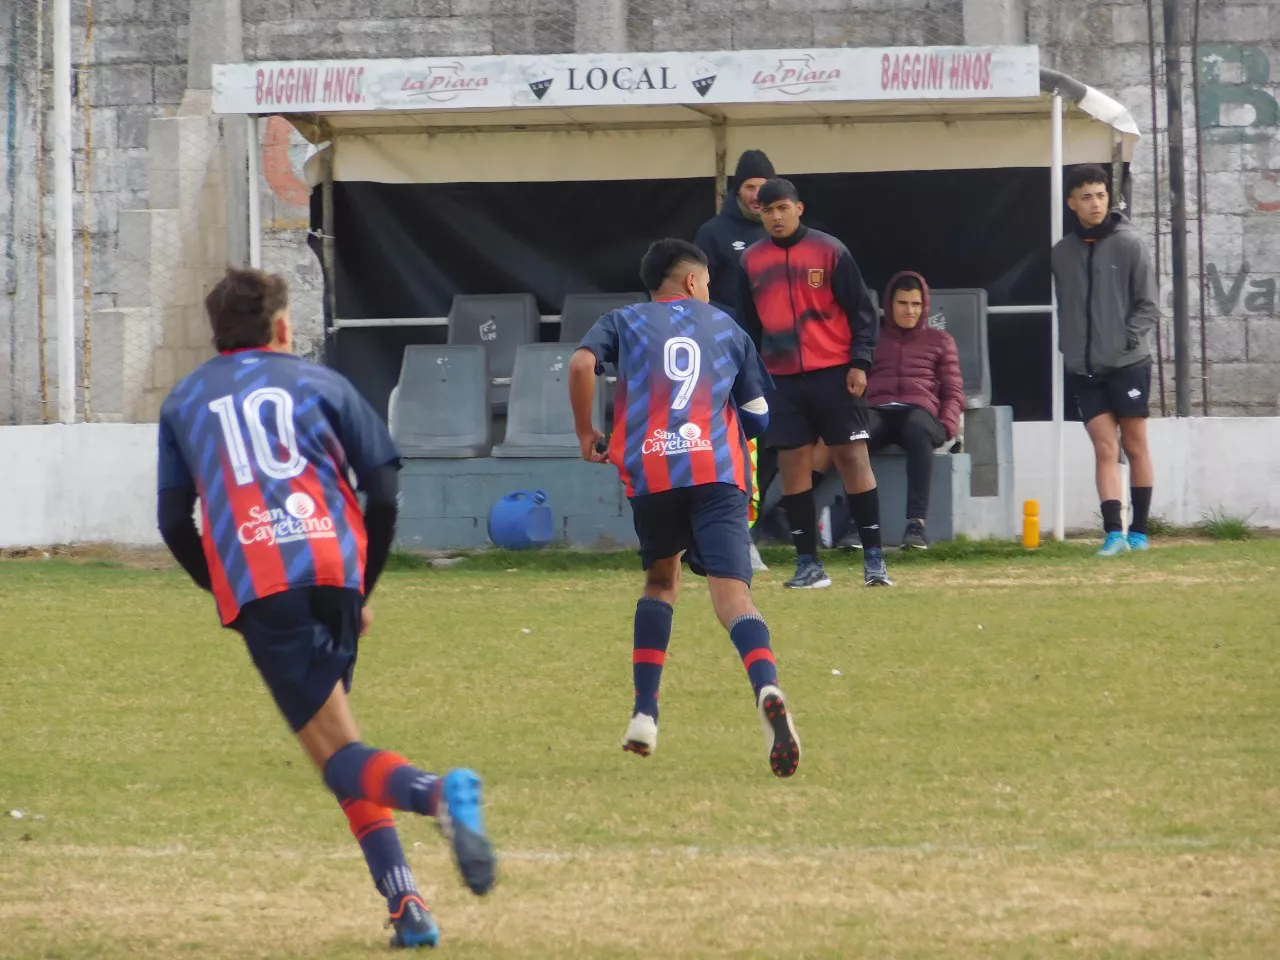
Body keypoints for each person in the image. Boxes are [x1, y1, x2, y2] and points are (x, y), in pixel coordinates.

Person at [155, 267, 496, 949]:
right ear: (282, 327)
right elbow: (386, 492)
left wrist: (227, 592)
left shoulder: (186, 400)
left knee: (337, 755)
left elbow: (172, 519)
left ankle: (439, 796)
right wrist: (361, 589)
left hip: (264, 581)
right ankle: (408, 909)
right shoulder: (324, 383)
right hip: (336, 570)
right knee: (340, 747)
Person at [568, 238, 801, 779]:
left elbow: (581, 365)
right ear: (694, 282)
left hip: (652, 470)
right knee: (732, 594)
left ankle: (645, 715)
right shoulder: (725, 326)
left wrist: (587, 433)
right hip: (716, 471)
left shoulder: (623, 320)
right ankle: (766, 684)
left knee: (660, 582)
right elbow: (760, 414)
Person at [737, 178, 891, 589]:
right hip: (781, 380)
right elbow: (748, 325)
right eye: (767, 210)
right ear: (759, 213)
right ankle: (808, 565)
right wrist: (752, 375)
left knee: (853, 458)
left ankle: (875, 561)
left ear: (798, 208)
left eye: (782, 208)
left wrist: (860, 362)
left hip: (835, 372)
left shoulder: (829, 250)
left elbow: (862, 311)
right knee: (793, 465)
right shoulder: (750, 261)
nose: (776, 216)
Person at [1051, 164, 1159, 556]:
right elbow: (1066, 308)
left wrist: (1126, 341)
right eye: (1086, 197)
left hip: (1128, 362)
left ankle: (1140, 532)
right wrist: (1071, 347)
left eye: (1100, 195)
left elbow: (1149, 304)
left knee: (1134, 444)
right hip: (1085, 368)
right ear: (1071, 203)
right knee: (1103, 447)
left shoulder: (1130, 243)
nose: (1095, 203)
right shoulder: (1061, 253)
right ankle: (1113, 533)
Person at [693, 148, 776, 573]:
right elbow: (695, 293)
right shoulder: (714, 232)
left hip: (776, 355)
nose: (758, 196)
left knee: (773, 441)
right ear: (737, 190)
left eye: (763, 187)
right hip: (726, 357)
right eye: (750, 187)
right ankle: (734, 537)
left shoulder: (781, 231)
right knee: (735, 441)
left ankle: (752, 528)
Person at [858, 271, 964, 550]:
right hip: (879, 409)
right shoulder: (872, 338)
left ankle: (916, 525)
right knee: (858, 433)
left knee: (917, 428)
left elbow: (953, 391)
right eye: (903, 303)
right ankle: (855, 525)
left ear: (924, 305)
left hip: (920, 413)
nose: (910, 310)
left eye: (916, 304)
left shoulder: (940, 341)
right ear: (890, 305)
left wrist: (948, 425)